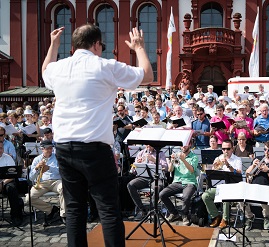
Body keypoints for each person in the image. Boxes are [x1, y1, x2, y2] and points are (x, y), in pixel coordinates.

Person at [42, 24, 153, 247]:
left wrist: (54, 45)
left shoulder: (59, 67)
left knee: (74, 210)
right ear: (96, 44)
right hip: (94, 149)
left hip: (64, 147)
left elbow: (45, 70)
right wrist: (139, 47)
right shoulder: (105, 66)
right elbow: (147, 76)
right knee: (108, 209)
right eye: (101, 45)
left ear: (73, 46)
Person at [202, 139, 242, 228]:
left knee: (225, 197)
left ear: (232, 149)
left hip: (232, 187)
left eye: (228, 149)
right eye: (223, 149)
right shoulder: (218, 158)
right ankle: (216, 216)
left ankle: (225, 219)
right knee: (205, 196)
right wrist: (214, 168)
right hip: (219, 186)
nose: (225, 151)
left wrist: (228, 165)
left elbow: (239, 173)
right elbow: (211, 175)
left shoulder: (237, 159)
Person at [244, 140, 269, 231]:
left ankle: (266, 217)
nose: (266, 152)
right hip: (253, 187)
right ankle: (249, 217)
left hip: (267, 189)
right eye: (265, 149)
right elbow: (248, 173)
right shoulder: (258, 158)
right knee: (240, 199)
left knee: (266, 194)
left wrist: (268, 171)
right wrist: (253, 166)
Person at [25, 140, 65, 224]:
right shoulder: (37, 159)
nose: (50, 150)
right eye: (47, 148)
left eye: (51, 148)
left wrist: (49, 168)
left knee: (64, 189)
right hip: (42, 183)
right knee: (29, 198)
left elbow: (63, 171)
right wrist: (36, 168)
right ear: (42, 149)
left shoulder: (57, 157)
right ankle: (50, 210)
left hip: (56, 181)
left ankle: (63, 214)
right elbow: (31, 178)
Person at [159, 141, 198, 226]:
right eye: (182, 145)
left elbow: (191, 170)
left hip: (189, 182)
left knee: (186, 197)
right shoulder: (177, 155)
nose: (183, 147)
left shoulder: (194, 157)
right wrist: (172, 162)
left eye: (185, 145)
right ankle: (174, 213)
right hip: (177, 181)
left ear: (190, 145)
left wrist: (183, 160)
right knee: (162, 194)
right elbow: (170, 170)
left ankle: (185, 215)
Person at [127, 145, 168, 221]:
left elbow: (165, 168)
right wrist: (135, 165)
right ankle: (142, 210)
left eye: (150, 144)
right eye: (147, 145)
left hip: (156, 177)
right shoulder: (141, 153)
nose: (148, 146)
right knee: (130, 185)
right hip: (143, 177)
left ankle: (152, 209)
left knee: (158, 186)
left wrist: (155, 160)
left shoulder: (160, 153)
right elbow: (133, 172)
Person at [0, 142, 23, 226]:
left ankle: (15, 216)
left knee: (12, 188)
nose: (0, 150)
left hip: (7, 181)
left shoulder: (8, 158)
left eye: (1, 148)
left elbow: (13, 175)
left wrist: (2, 183)